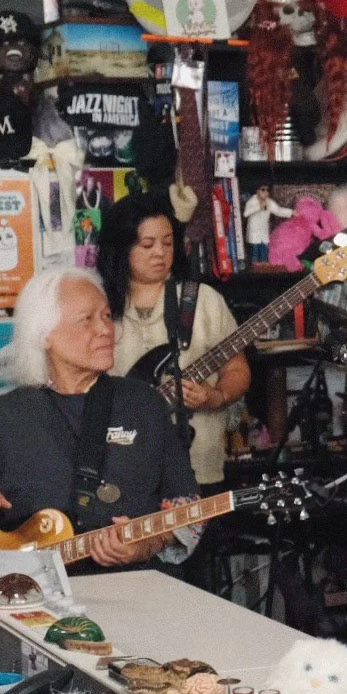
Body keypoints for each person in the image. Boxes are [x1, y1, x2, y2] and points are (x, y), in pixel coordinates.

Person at [0, 267, 199, 572]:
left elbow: (188, 508)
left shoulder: (144, 403)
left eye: (106, 316)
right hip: (35, 597)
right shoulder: (1, 418)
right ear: (44, 335)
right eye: (87, 319)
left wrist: (146, 545)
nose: (105, 329)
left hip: (136, 588)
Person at [98, 193, 250, 491]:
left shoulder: (203, 300)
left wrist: (215, 396)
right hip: (120, 466)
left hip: (198, 463)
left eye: (168, 243)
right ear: (121, 248)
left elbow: (237, 370)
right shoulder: (98, 304)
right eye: (147, 245)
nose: (160, 253)